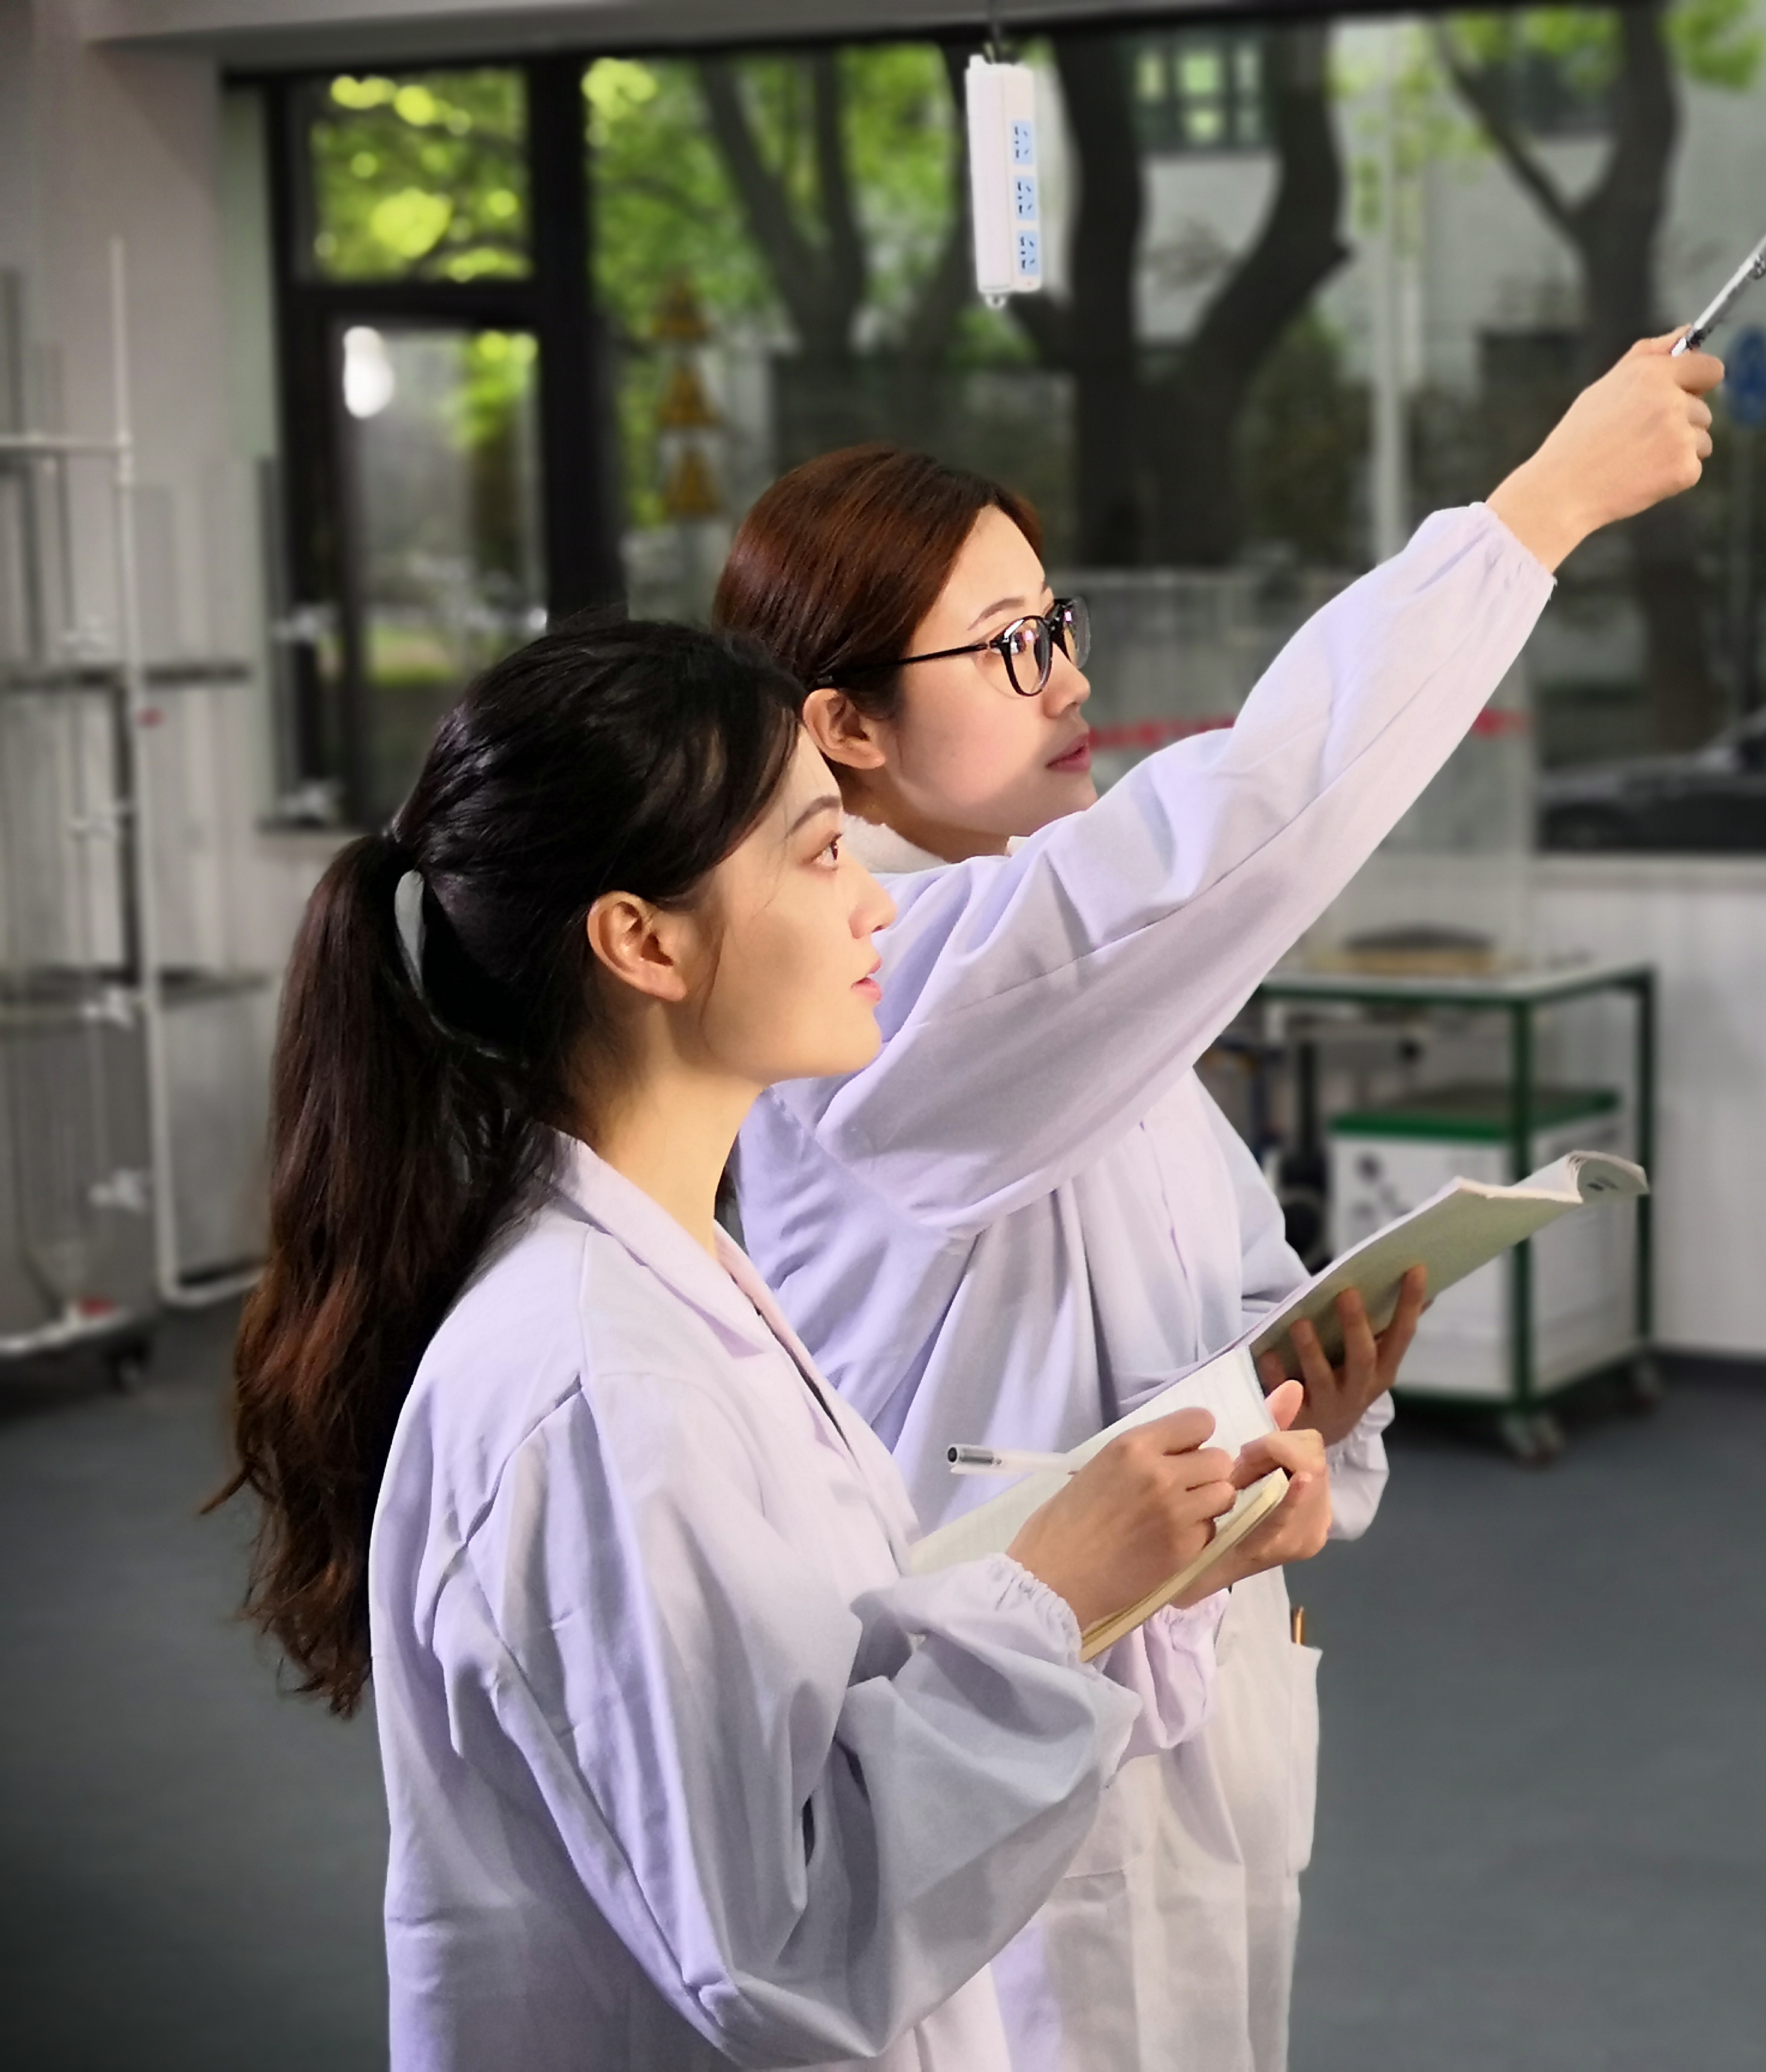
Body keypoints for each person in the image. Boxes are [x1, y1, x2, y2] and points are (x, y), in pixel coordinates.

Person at [712, 333, 1722, 2069]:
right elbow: (1244, 817)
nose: (1065, 680)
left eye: (1058, 625)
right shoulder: (894, 996)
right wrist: (1540, 510)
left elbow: (1235, 1285)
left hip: (1192, 1712)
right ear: (845, 727)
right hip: (1007, 1738)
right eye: (1009, 645)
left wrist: (1302, 1415)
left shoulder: (1079, 1000)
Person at [214, 619, 1334, 2071]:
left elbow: (827, 1681)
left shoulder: (677, 1283)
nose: (876, 907)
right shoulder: (597, 1388)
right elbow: (783, 1943)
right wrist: (1051, 1601)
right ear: (644, 941)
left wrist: (1137, 1570)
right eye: (822, 854)